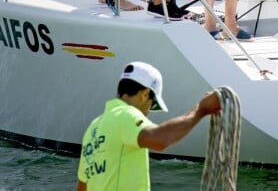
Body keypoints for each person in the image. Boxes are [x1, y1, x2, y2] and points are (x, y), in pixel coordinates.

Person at [76, 61, 221, 191]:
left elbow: (82, 186)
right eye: (153, 104)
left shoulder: (93, 128)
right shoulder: (126, 115)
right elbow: (160, 139)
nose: (149, 111)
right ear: (145, 94)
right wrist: (201, 110)